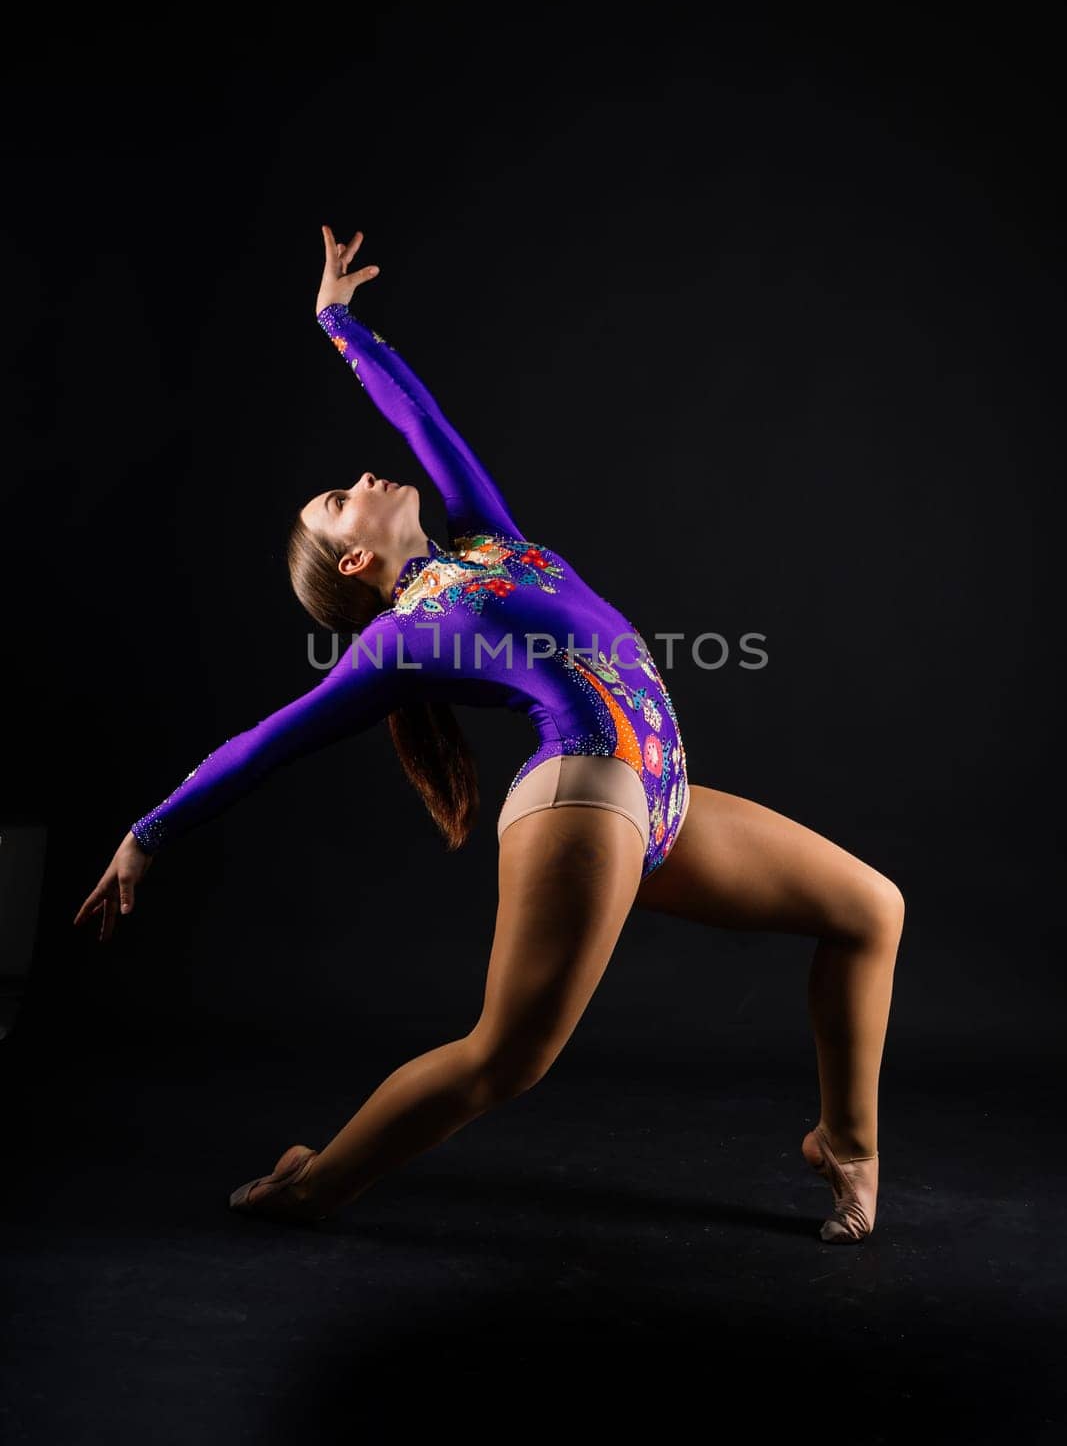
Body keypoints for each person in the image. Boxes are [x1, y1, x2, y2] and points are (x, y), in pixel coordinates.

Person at [74, 225, 905, 1244]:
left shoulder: (483, 540)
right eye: (340, 501)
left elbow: (422, 419)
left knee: (868, 907)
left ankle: (846, 1143)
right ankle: (313, 1185)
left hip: (655, 800)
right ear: (349, 567)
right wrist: (147, 833)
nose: (363, 482)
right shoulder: (400, 636)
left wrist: (337, 323)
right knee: (505, 1058)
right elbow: (266, 740)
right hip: (582, 794)